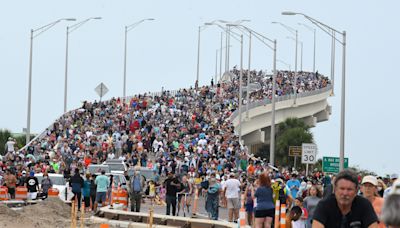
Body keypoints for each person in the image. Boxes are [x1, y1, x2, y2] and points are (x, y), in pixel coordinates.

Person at [312, 169, 378, 228]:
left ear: (356, 191)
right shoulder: (324, 205)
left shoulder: (364, 205)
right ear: (335, 189)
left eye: (349, 189)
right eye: (342, 188)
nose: (345, 193)